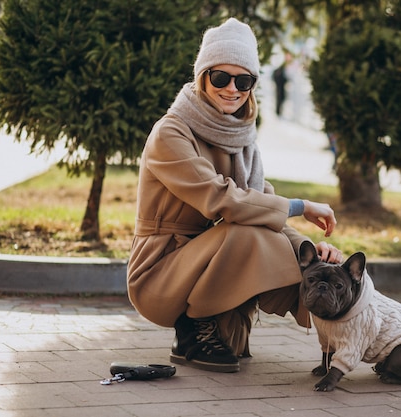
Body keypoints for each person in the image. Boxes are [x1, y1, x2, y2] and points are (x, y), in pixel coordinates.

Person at [126, 17, 343, 374]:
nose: (232, 89)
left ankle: (355, 330)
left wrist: (312, 253)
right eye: (220, 77)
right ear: (202, 76)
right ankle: (193, 328)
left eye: (243, 80)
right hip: (160, 275)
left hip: (215, 265)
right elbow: (222, 200)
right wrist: (301, 206)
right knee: (246, 232)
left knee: (320, 268)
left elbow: (260, 206)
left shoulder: (241, 141)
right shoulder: (171, 133)